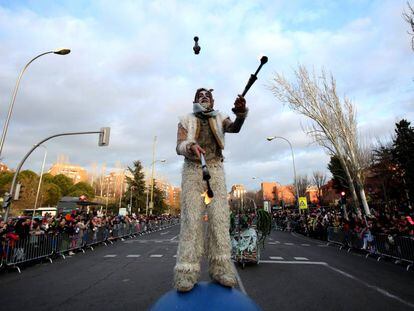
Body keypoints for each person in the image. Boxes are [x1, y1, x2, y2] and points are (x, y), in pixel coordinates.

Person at [173, 88, 248, 292]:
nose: (204, 97)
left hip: (215, 169)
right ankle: (186, 273)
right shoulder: (185, 119)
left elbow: (234, 128)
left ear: (213, 101)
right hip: (192, 171)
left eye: (207, 95)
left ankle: (221, 269)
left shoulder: (220, 118)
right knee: (192, 221)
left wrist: (241, 114)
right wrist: (190, 147)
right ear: (194, 100)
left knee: (219, 220)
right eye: (200, 95)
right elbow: (179, 145)